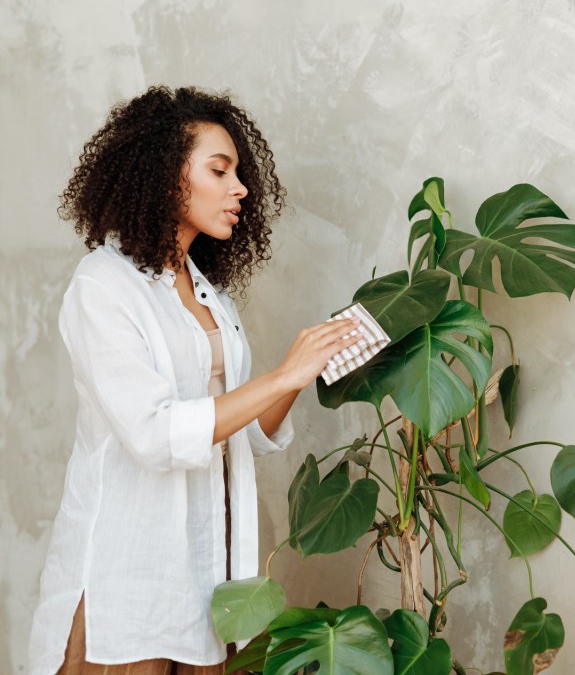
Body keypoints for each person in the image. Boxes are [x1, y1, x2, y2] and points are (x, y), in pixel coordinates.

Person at [27, 85, 363, 675]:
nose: (241, 188)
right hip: (130, 581)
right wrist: (283, 372)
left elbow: (243, 432)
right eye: (220, 169)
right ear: (163, 175)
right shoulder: (103, 286)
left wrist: (306, 369)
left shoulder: (207, 292)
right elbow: (155, 436)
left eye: (239, 171)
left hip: (210, 580)